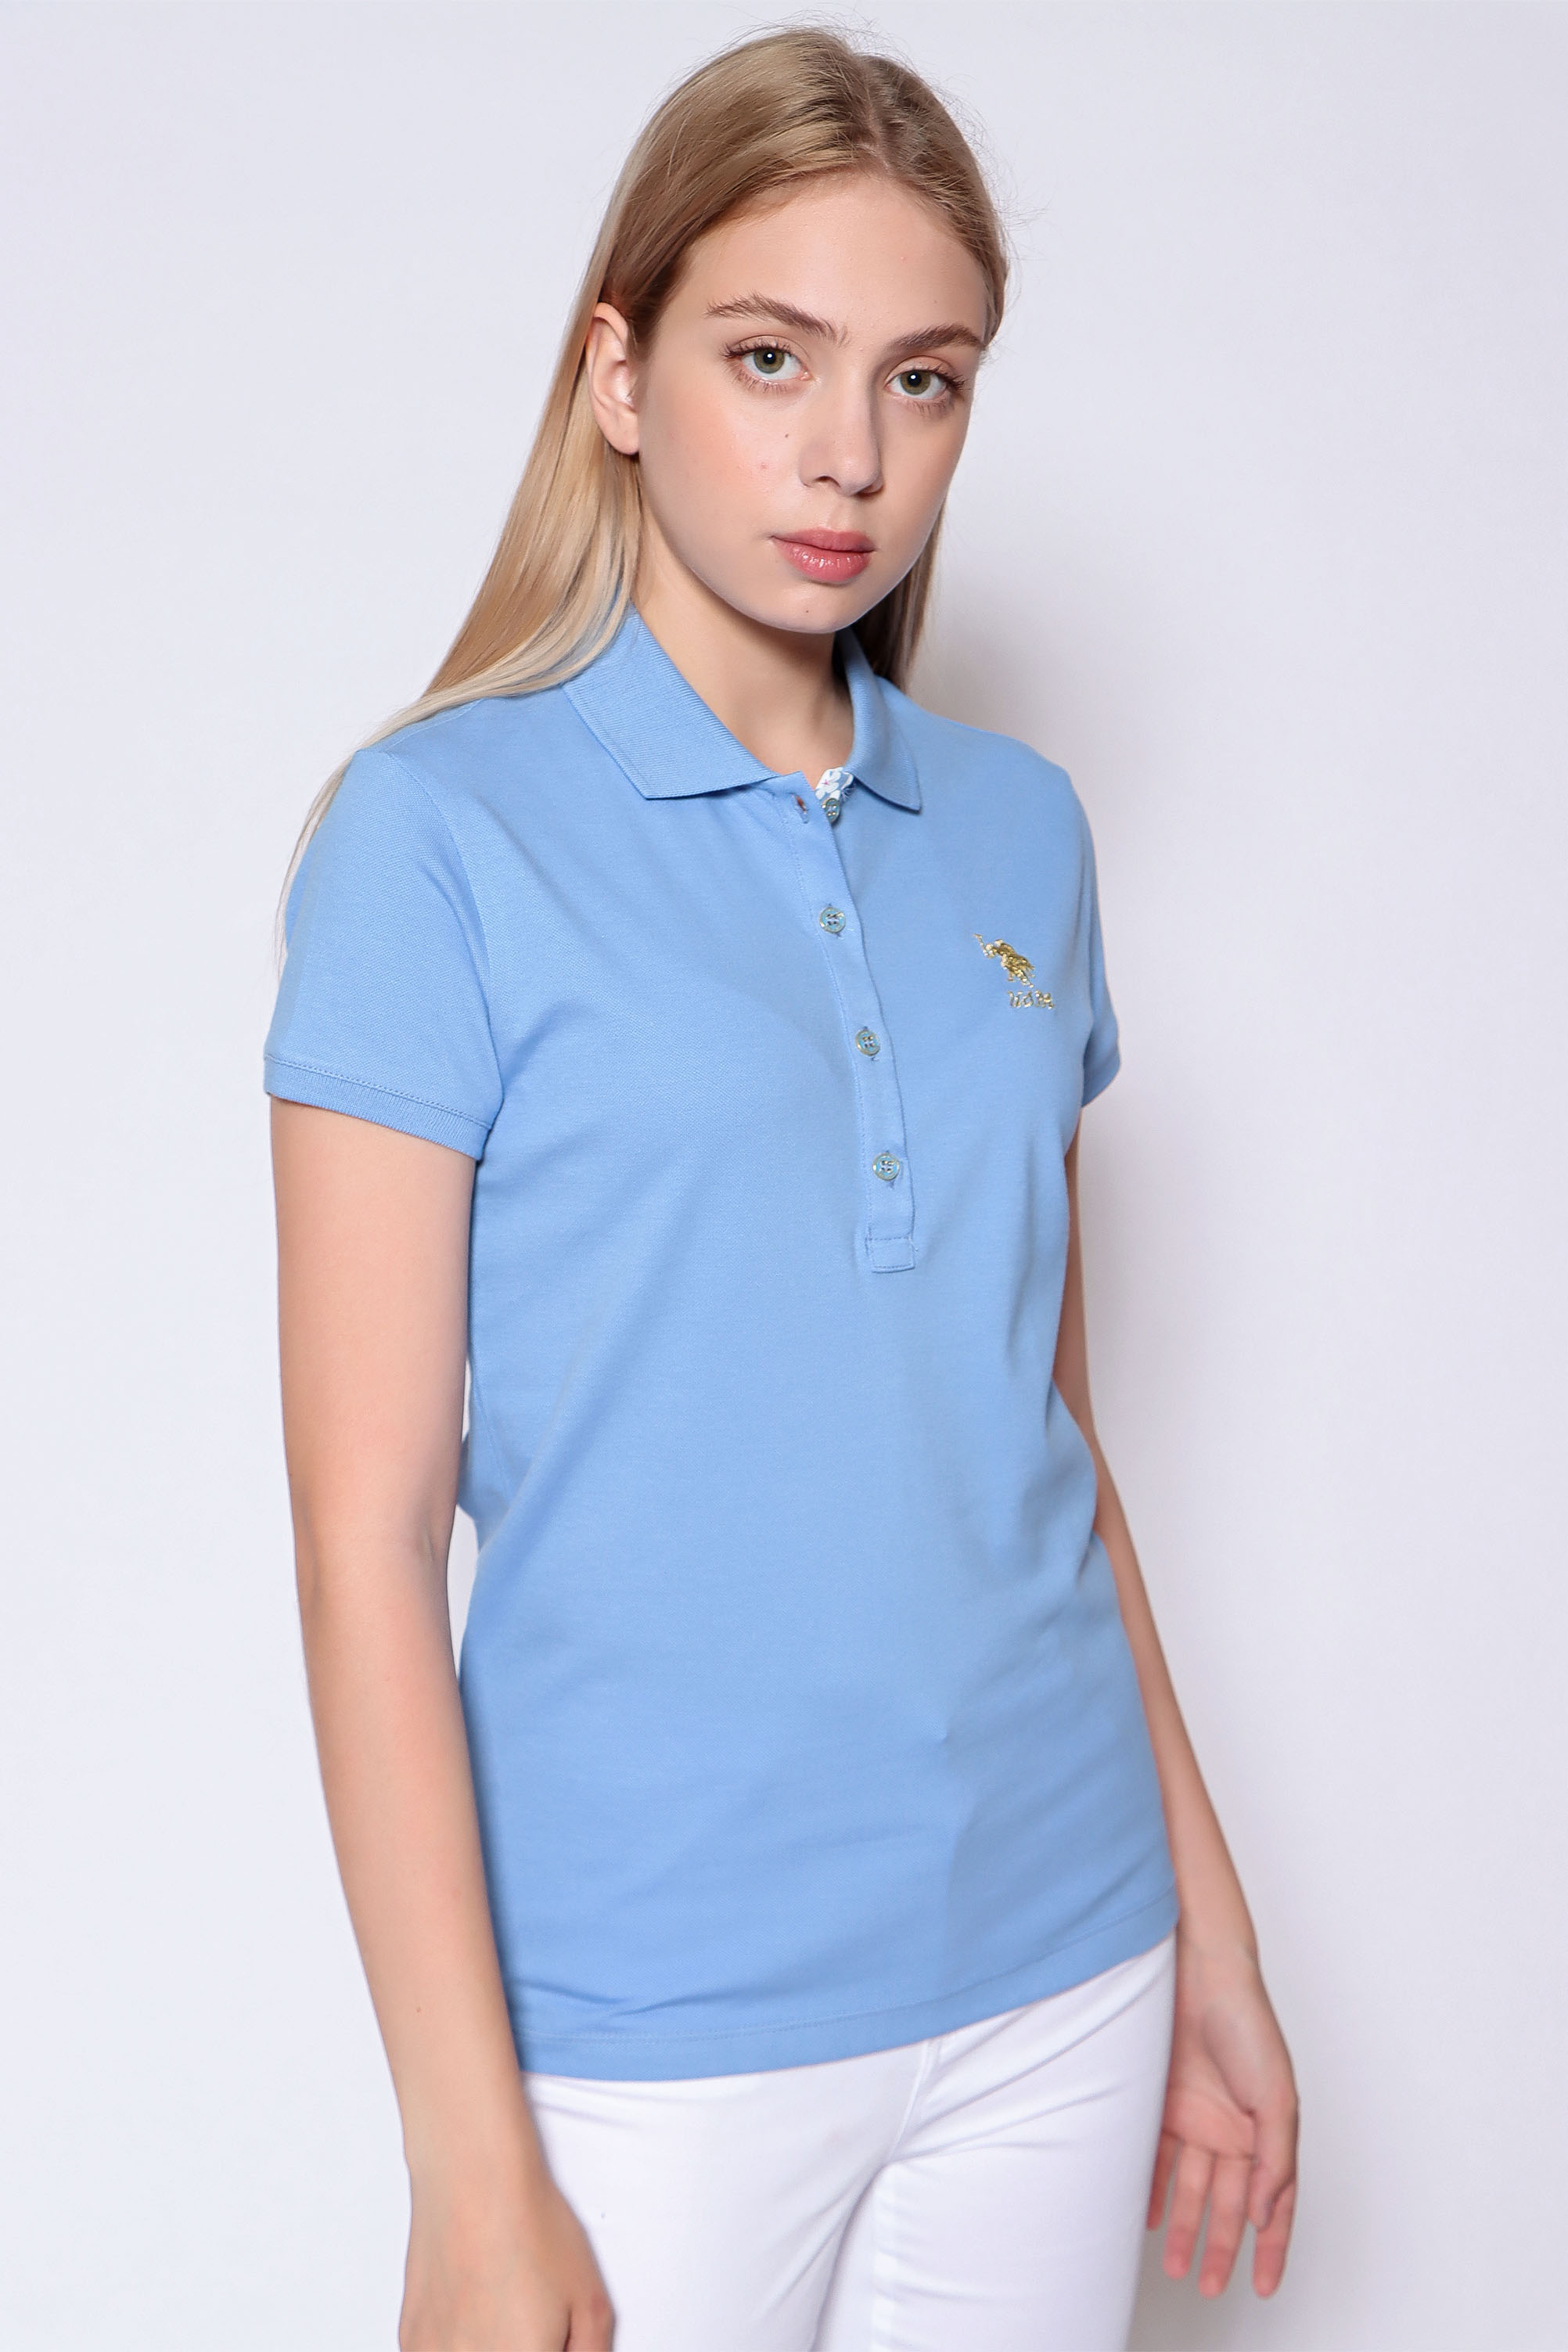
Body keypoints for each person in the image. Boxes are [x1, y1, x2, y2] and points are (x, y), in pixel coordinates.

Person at [264, 27, 1298, 2352]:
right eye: (772, 358)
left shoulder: (1020, 832)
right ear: (616, 374)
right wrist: (468, 2169)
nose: (852, 454)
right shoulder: (434, 842)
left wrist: (1211, 1933)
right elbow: (361, 1541)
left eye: (924, 381)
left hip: (1062, 1967)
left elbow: (1043, 1436)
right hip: (651, 2022)